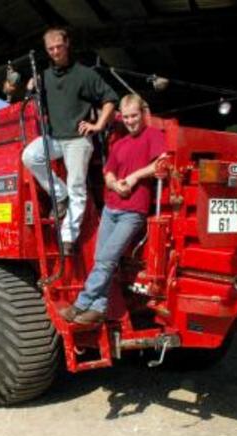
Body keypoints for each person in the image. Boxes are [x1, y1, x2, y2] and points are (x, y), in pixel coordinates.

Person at [60, 93, 166, 325]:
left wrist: (135, 177)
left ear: (143, 114)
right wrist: (115, 184)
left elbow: (161, 163)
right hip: (111, 208)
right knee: (101, 259)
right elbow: (108, 173)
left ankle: (80, 304)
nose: (130, 121)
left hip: (133, 212)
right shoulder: (119, 144)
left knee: (107, 259)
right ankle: (98, 309)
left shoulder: (153, 136)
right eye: (126, 117)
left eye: (134, 116)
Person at [21, 27, 118, 253]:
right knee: (30, 155)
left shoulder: (85, 74)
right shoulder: (44, 77)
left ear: (67, 45)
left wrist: (98, 125)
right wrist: (30, 86)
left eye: (59, 46)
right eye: (51, 48)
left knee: (77, 187)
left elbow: (110, 98)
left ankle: (68, 237)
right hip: (54, 137)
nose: (55, 51)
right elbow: (30, 97)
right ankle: (59, 194)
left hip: (78, 140)